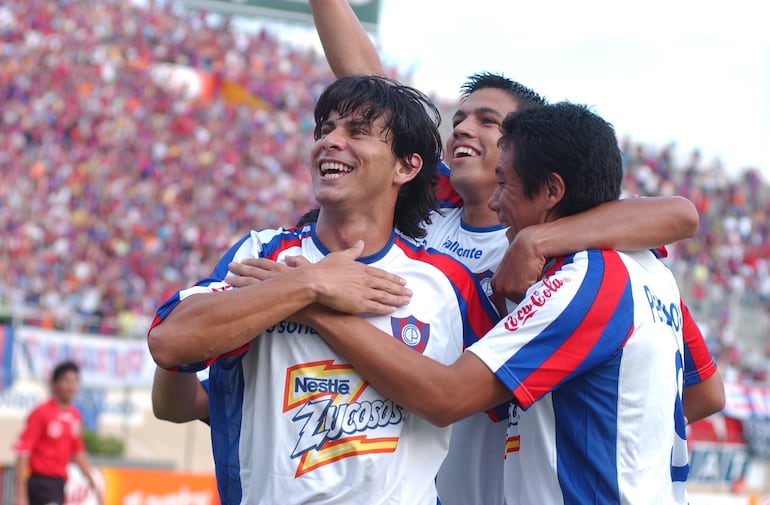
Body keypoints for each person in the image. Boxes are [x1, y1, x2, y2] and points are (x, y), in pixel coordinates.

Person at [306, 2, 722, 504]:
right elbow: (373, 90)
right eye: (458, 118)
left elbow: (680, 216)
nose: (461, 129)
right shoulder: (429, 202)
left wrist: (563, 412)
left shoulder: (587, 257)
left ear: (527, 153)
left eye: (488, 121)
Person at [147, 75, 499, 505]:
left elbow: (478, 401)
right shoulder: (265, 253)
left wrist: (311, 305)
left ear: (406, 167)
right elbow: (169, 344)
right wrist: (308, 281)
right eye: (324, 129)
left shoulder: (446, 282)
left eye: (357, 132)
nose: (330, 141)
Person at [12, 360, 101, 505]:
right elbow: (23, 453)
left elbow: (77, 451)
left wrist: (91, 478)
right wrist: (20, 495)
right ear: (54, 384)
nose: (70, 386)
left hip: (59, 484)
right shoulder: (41, 413)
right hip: (40, 482)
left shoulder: (75, 416)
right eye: (66, 381)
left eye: (74, 381)